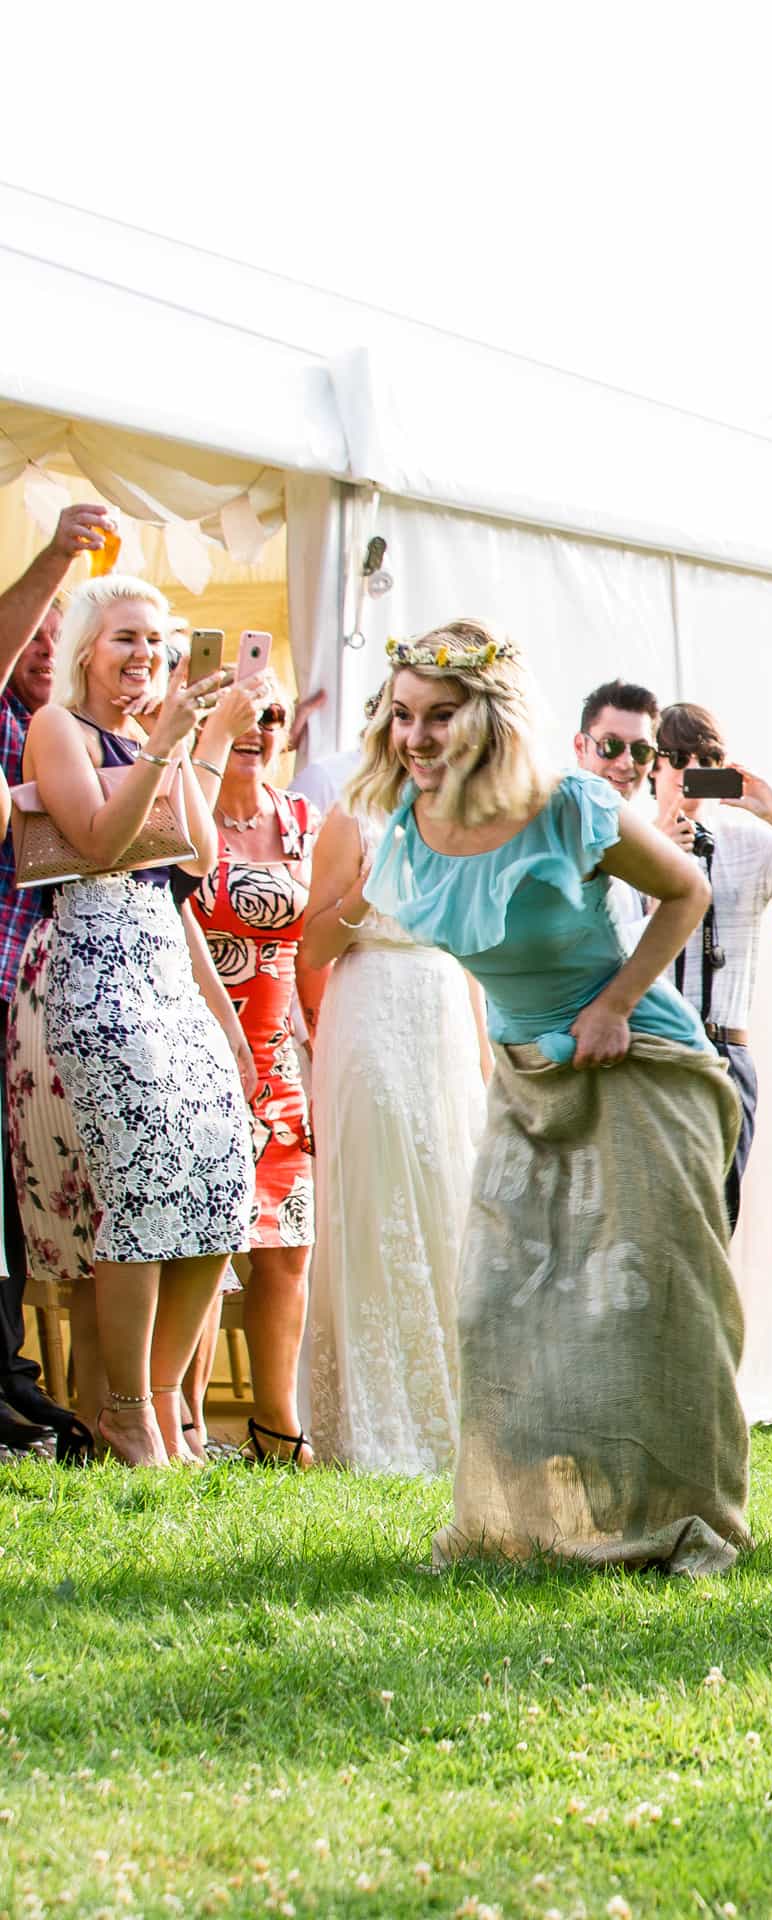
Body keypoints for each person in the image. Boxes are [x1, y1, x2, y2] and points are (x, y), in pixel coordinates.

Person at [361, 621, 749, 1573]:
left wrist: (616, 1004)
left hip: (643, 1065)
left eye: (440, 715)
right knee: (498, 1302)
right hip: (529, 1080)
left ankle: (690, 1513)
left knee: (654, 1297)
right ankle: (517, 1520)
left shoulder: (566, 802)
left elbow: (687, 889)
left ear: (490, 719)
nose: (415, 735)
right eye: (402, 715)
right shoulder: (412, 824)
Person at [24, 574, 258, 1467]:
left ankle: (161, 1400)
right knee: (144, 1184)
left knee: (221, 1181)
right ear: (87, 646)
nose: (145, 656)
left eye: (157, 643)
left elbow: (195, 860)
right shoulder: (61, 728)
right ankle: (124, 1411)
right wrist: (162, 746)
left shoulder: (147, 736)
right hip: (95, 968)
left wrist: (191, 739)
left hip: (169, 964)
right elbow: (98, 843)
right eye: (127, 638)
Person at [294, 756, 491, 1475]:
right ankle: (378, 1423)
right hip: (370, 997)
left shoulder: (468, 813)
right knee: (381, 1206)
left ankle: (461, 1420)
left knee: (453, 1202)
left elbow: (469, 949)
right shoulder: (354, 812)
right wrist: (371, 884)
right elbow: (312, 946)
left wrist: (484, 1054)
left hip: (442, 1008)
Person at [640, 701, 772, 1231]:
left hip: (723, 1050)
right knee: (651, 1225)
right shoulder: (628, 843)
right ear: (653, 768)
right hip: (649, 1051)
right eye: (677, 759)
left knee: (716, 1225)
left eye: (705, 761)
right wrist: (659, 859)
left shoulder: (747, 842)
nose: (691, 774)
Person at [0, 504, 117, 1459]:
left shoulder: (88, 735)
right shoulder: (17, 721)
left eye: (56, 636)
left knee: (29, 1202)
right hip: (11, 979)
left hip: (48, 990)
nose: (43, 647)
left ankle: (15, 1380)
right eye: (31, 634)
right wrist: (56, 556)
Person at [184, 679, 323, 1463]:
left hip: (278, 1056)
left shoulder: (303, 819)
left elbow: (313, 957)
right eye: (245, 713)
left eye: (274, 716)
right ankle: (190, 1425)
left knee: (285, 1249)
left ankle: (278, 1425)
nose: (260, 729)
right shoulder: (183, 802)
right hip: (194, 1046)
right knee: (201, 1248)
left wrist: (322, 1055)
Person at [574, 680, 660, 951]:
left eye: (640, 751)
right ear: (581, 747)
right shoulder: (566, 828)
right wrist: (668, 914)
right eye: (610, 746)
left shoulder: (639, 830)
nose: (625, 763)